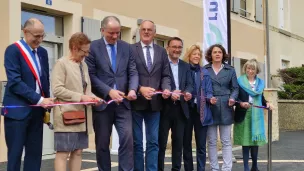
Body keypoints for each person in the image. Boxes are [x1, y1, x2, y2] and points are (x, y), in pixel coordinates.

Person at [85, 16, 139, 171]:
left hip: (124, 104)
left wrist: (133, 89)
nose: (115, 36)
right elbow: (91, 76)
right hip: (102, 104)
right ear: (102, 30)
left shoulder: (127, 47)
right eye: (111, 33)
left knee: (127, 140)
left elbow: (133, 71)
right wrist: (109, 91)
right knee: (102, 143)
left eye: (118, 33)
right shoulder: (93, 48)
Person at [2, 18, 54, 171]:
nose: (39, 40)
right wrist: (40, 99)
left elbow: (45, 79)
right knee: (15, 155)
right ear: (25, 32)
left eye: (42, 36)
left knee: (35, 155)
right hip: (17, 112)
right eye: (36, 36)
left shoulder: (43, 52)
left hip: (37, 112)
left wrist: (46, 104)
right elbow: (15, 82)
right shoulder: (13, 50)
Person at [52, 32, 102, 171]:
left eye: (88, 51)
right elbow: (57, 90)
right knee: (63, 152)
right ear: (74, 48)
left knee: (78, 151)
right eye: (84, 51)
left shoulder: (83, 65)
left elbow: (85, 90)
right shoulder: (61, 63)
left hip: (82, 117)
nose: (86, 55)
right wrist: (81, 97)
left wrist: (93, 98)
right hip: (66, 116)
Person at [131, 20, 171, 171]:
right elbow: (128, 75)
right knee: (137, 142)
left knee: (153, 142)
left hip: (155, 105)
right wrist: (139, 88)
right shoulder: (131, 50)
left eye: (149, 30)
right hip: (136, 103)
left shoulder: (161, 51)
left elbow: (166, 75)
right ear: (139, 31)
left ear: (154, 32)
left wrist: (166, 88)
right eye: (143, 29)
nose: (146, 32)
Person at [157, 37, 193, 171]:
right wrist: (170, 92)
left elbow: (190, 84)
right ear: (167, 48)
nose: (177, 49)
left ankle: (176, 169)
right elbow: (158, 83)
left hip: (181, 108)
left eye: (179, 47)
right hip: (164, 108)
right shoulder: (161, 64)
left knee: (178, 144)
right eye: (174, 47)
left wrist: (188, 92)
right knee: (161, 143)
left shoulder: (186, 66)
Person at [203, 44, 239, 171]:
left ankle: (227, 168)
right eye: (214, 52)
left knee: (226, 140)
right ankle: (214, 167)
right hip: (210, 106)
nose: (217, 54)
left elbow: (235, 88)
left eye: (220, 52)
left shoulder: (230, 70)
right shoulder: (205, 69)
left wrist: (233, 98)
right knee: (212, 141)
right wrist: (208, 98)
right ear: (210, 55)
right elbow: (202, 88)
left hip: (226, 105)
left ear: (223, 55)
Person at [234, 58, 272, 171]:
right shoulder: (239, 81)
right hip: (244, 113)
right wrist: (241, 103)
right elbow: (236, 96)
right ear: (245, 69)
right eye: (248, 68)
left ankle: (254, 166)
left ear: (256, 70)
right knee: (245, 142)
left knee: (255, 142)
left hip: (256, 114)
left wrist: (267, 103)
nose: (250, 71)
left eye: (253, 69)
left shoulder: (260, 83)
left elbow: (261, 98)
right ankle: (246, 167)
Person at [182, 44, 216, 171]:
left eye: (198, 54)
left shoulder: (204, 72)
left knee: (201, 145)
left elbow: (208, 91)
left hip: (201, 111)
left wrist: (210, 98)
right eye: (194, 54)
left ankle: (201, 169)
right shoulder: (184, 70)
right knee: (186, 144)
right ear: (189, 55)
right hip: (186, 110)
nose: (196, 56)